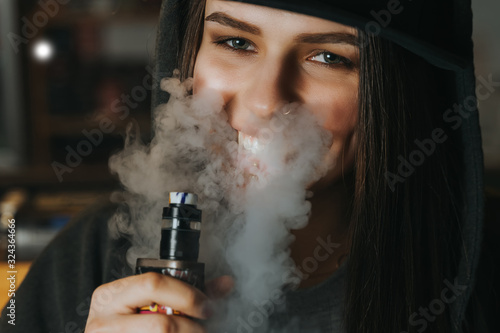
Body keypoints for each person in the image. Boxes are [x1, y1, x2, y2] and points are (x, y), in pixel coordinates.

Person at [1, 0, 497, 332]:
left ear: (404, 91)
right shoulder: (97, 248)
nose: (264, 102)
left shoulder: (481, 268)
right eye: (236, 43)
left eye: (329, 56)